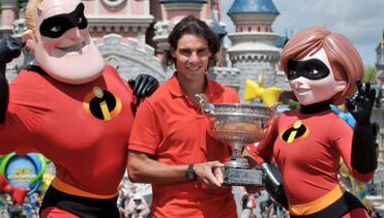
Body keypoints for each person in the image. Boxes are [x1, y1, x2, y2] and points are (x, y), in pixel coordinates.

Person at [0, 0, 158, 217]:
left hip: (111, 207)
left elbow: (140, 125)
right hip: (68, 208)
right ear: (32, 38)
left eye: (78, 19)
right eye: (57, 26)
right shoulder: (31, 87)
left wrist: (145, 90)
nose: (75, 33)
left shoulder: (108, 75)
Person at [254, 27, 377, 217]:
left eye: (311, 70)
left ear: (341, 80)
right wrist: (278, 191)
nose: (297, 81)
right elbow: (258, 156)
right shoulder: (282, 120)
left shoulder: (334, 125)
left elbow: (363, 174)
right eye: (294, 71)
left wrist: (363, 126)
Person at [127, 15, 239, 217]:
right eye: (186, 52)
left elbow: (238, 150)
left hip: (224, 212)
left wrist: (249, 165)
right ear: (173, 53)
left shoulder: (228, 97)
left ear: (211, 52)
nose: (194, 59)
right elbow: (135, 168)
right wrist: (192, 170)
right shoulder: (155, 103)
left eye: (201, 51)